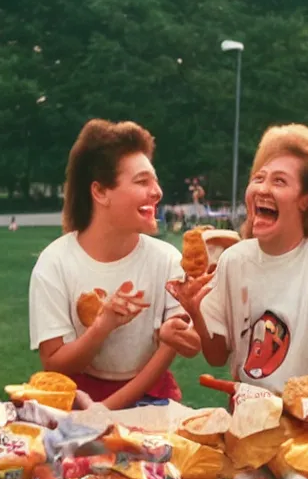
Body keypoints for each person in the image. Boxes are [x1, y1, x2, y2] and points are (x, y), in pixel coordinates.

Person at [168, 124, 308, 394]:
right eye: (259, 178)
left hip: (302, 418)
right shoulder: (234, 260)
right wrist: (195, 312)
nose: (263, 189)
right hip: (245, 417)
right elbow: (216, 356)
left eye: (279, 181)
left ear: (305, 200)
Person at [28, 119, 200, 410]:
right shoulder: (55, 263)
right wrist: (102, 326)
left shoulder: (167, 259)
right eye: (142, 181)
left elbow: (192, 343)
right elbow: (54, 365)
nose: (157, 192)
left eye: (155, 181)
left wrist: (181, 333)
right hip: (79, 403)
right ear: (100, 192)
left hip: (153, 399)